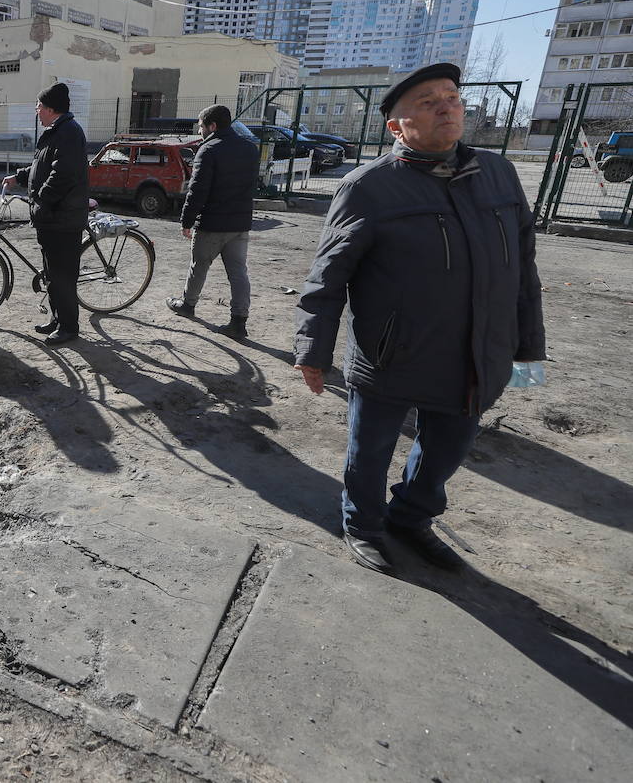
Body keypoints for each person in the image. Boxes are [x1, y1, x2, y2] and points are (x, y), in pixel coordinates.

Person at [294, 63, 546, 575]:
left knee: (445, 451)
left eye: (452, 97)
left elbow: (523, 266)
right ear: (396, 126)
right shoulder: (369, 187)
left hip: (477, 352)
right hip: (392, 353)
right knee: (370, 451)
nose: (446, 107)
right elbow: (328, 276)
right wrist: (313, 350)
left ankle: (411, 516)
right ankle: (362, 525)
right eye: (428, 101)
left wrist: (528, 345)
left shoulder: (498, 174)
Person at [2, 82, 89, 346]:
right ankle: (58, 318)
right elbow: (42, 166)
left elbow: (62, 174)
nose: (36, 112)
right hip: (52, 217)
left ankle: (69, 328)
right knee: (52, 273)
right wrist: (19, 177)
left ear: (51, 109)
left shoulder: (69, 133)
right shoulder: (56, 131)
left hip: (63, 218)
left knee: (62, 276)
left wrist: (41, 200)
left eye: (39, 107)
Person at [166, 104, 259, 338]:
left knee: (199, 265)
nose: (199, 132)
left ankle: (188, 304)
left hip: (212, 223)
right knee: (238, 272)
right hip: (240, 224)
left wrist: (186, 221)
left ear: (212, 126)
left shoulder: (208, 151)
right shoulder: (249, 148)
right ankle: (239, 321)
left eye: (200, 127)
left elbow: (197, 190)